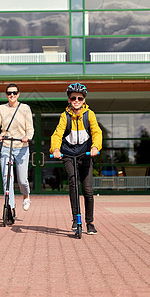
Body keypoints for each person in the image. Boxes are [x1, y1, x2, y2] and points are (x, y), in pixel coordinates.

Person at [50, 83, 102, 235]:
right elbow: (57, 134)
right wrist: (56, 149)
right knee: (73, 185)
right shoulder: (64, 116)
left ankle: (90, 222)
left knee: (87, 189)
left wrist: (95, 147)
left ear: (84, 100)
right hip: (68, 153)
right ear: (69, 100)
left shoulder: (89, 114)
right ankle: (75, 219)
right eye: (73, 98)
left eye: (80, 98)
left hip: (85, 153)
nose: (76, 100)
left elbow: (96, 132)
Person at [0, 83, 34, 217]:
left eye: (14, 93)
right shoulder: (1, 109)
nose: (12, 95)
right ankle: (10, 206)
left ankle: (26, 195)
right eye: (9, 93)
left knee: (22, 179)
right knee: (6, 178)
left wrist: (27, 137)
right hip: (6, 145)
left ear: (18, 94)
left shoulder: (25, 108)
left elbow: (30, 128)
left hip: (21, 147)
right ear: (6, 95)